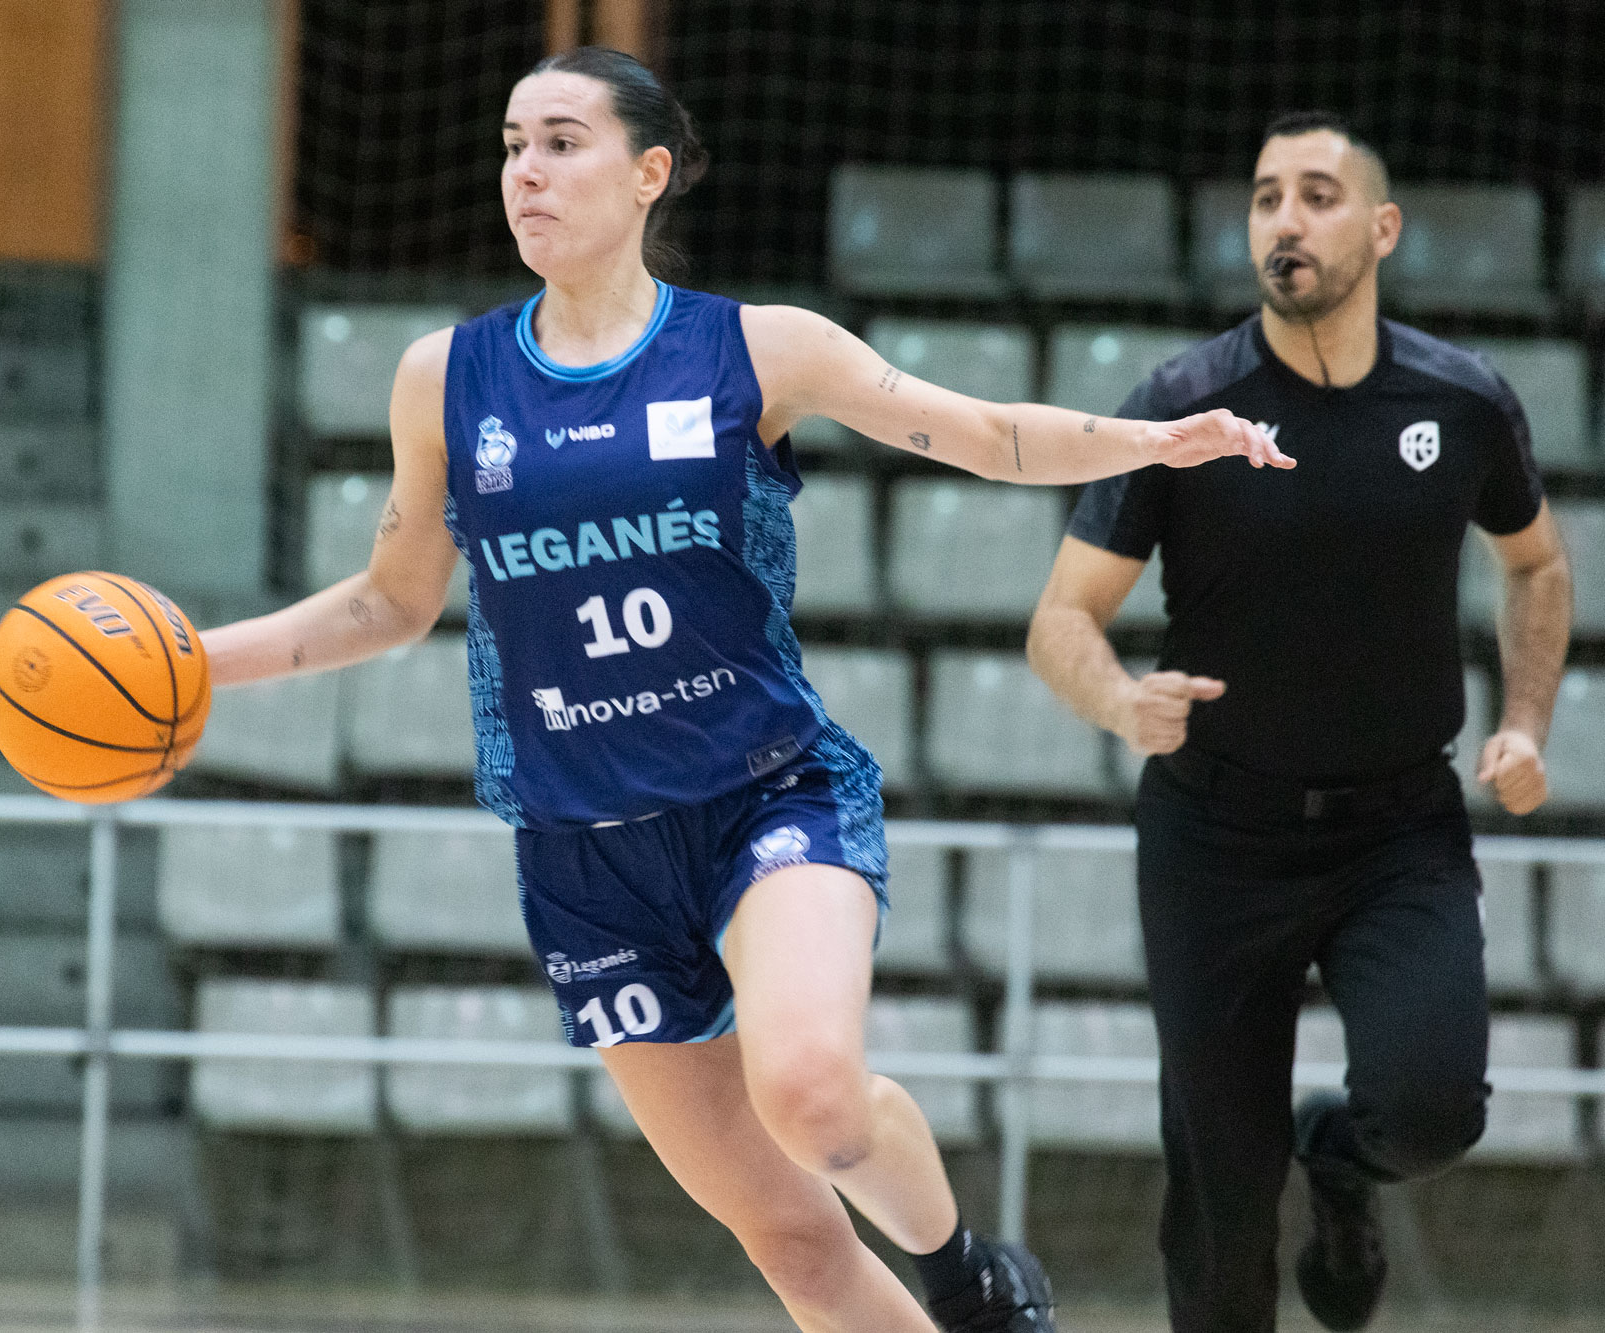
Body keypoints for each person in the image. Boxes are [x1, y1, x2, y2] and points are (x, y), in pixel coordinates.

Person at [204, 47, 1287, 1333]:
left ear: (647, 172)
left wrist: (1152, 442)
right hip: (584, 849)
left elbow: (981, 432)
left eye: (560, 142)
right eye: (510, 145)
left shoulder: (751, 347)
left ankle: (967, 1279)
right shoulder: (445, 379)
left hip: (767, 795)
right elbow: (389, 600)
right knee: (788, 1238)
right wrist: (196, 667)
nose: (525, 171)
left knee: (812, 1100)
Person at [1026, 111, 1571, 1333]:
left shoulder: (1461, 401)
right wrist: (1118, 699)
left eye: (1317, 195)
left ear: (1380, 229)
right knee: (1220, 1201)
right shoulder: (1182, 406)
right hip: (1214, 840)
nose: (1284, 218)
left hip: (1398, 831)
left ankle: (1338, 1164)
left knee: (1427, 1114)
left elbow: (1534, 564)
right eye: (1266, 195)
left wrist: (1525, 722)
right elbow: (1059, 618)